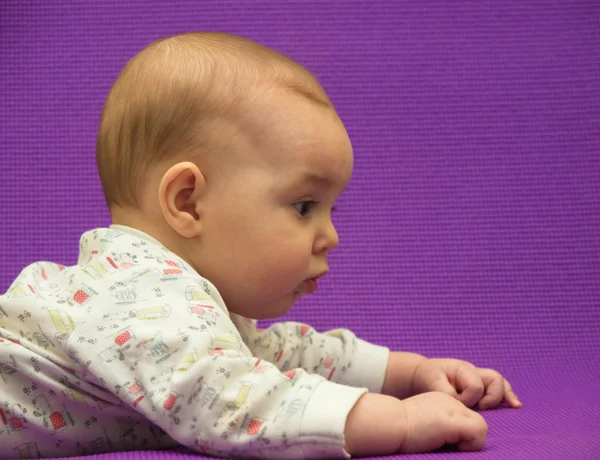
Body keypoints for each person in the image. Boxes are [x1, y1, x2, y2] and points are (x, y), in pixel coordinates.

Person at [0, 32, 521, 459]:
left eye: (330, 209)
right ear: (189, 203)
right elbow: (232, 402)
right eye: (303, 207)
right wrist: (399, 420)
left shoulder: (179, 300)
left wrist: (407, 373)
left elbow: (273, 355)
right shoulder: (142, 296)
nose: (331, 235)